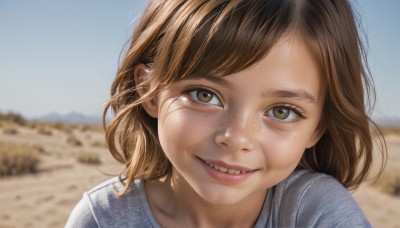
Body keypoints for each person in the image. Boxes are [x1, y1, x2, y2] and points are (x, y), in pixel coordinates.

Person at [66, 0, 387, 227]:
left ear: (318, 127)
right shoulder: (101, 219)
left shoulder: (317, 213)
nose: (236, 138)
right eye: (204, 95)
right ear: (149, 90)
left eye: (282, 111)